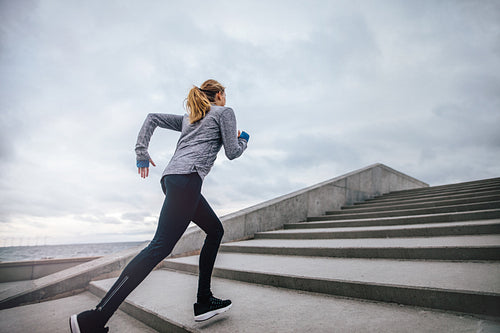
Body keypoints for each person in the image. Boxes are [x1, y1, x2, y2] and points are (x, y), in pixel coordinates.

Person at [70, 79, 249, 333]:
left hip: (174, 179)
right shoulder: (224, 112)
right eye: (224, 95)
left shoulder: (191, 118)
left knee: (215, 230)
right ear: (219, 95)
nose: (225, 100)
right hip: (188, 180)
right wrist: (243, 140)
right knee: (159, 247)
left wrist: (142, 152)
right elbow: (232, 152)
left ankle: (204, 301)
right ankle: (94, 319)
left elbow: (152, 117)